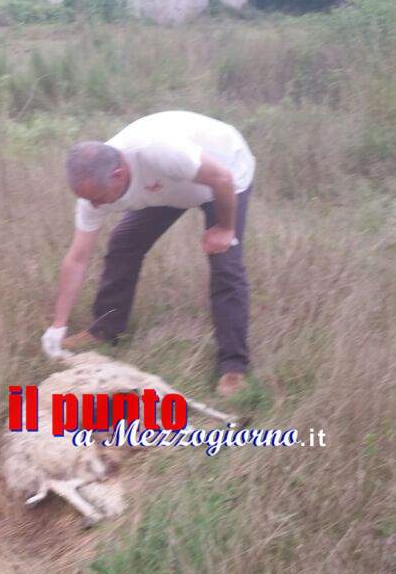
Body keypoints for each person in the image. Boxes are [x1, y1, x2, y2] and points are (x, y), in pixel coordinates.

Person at [41, 110, 255, 397]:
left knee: (225, 263)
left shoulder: (158, 151)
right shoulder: (93, 191)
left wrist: (225, 229)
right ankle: (105, 330)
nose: (92, 206)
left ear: (119, 175)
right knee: (123, 243)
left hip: (223, 176)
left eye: (97, 199)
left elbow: (222, 178)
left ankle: (233, 367)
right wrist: (58, 325)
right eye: (86, 199)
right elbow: (78, 257)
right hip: (170, 186)